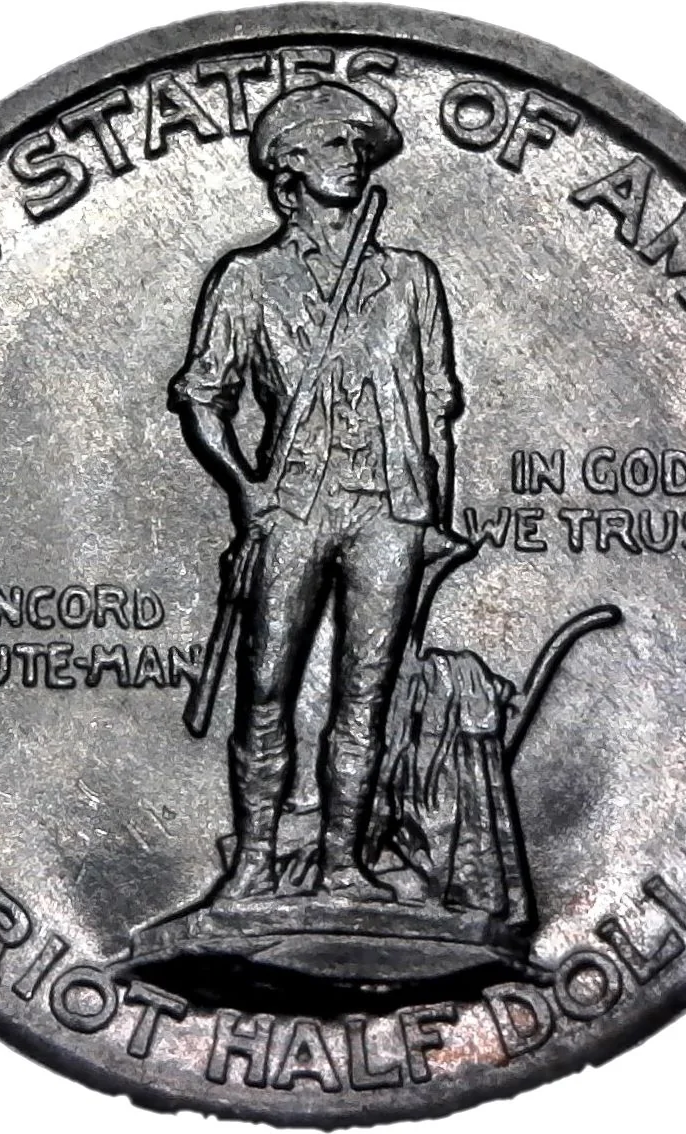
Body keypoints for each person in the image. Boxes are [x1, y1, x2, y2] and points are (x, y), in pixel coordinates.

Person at [169, 81, 463, 903]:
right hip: (293, 507)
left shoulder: (409, 279)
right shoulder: (248, 278)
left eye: (358, 147)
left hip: (389, 511)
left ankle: (342, 867)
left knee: (365, 698)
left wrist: (435, 515)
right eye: (334, 144)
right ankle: (253, 865)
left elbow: (437, 402)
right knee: (265, 689)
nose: (353, 158)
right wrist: (243, 488)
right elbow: (202, 396)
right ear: (289, 164)